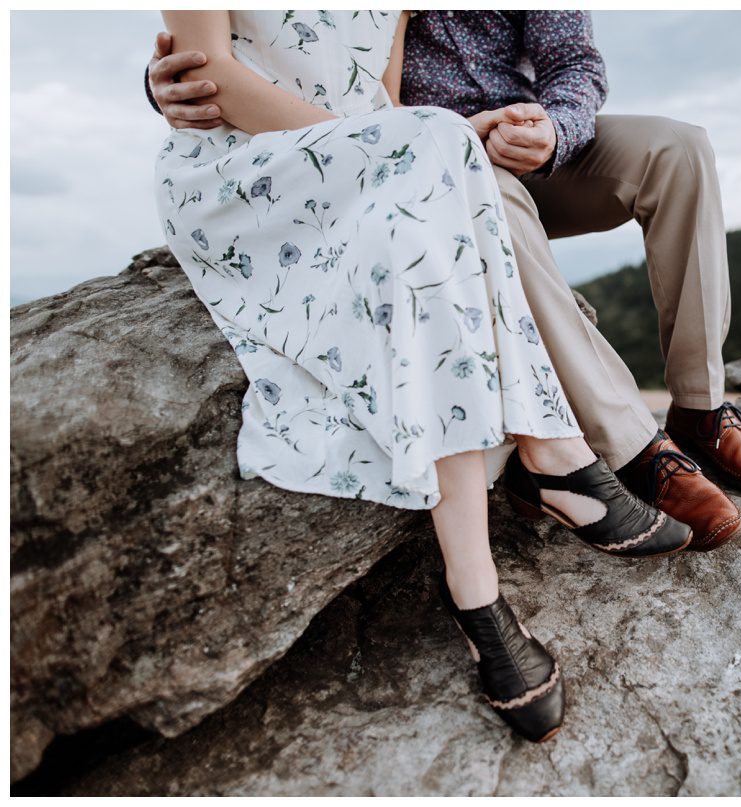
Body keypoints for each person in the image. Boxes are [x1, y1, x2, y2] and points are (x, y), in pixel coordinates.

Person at [149, 9, 693, 744]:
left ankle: (482, 580)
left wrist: (417, 141)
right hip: (250, 172)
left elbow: (384, 98)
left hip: (369, 166)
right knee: (435, 146)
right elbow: (209, 72)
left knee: (425, 236)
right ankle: (549, 462)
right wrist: (399, 144)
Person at [145, 11, 741, 556]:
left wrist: (553, 129)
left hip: (527, 143)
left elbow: (575, 62)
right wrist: (165, 81)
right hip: (428, 164)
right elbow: (287, 43)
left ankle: (701, 406)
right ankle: (633, 446)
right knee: (488, 193)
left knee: (680, 149)